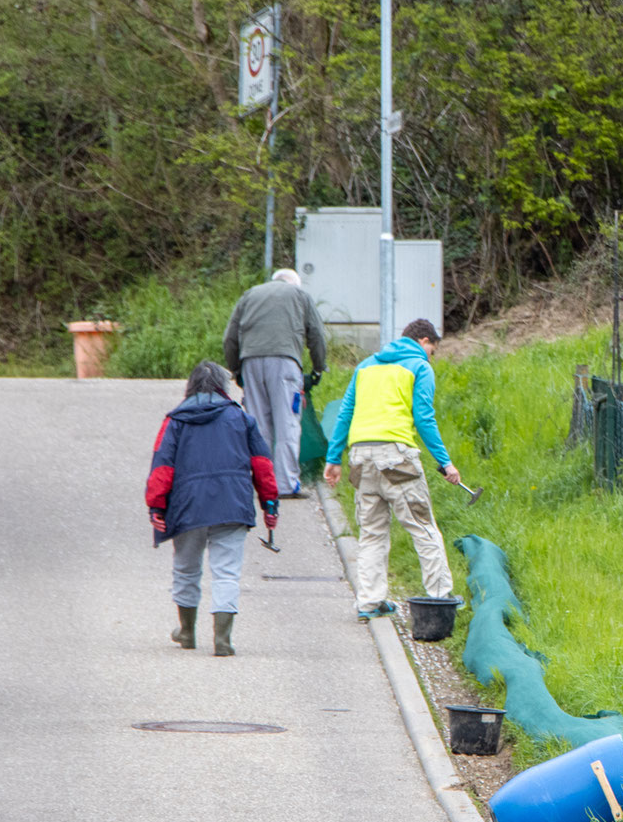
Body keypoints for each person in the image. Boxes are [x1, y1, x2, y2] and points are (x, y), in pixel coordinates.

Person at [321, 318, 462, 621]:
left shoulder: (366, 366)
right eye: (432, 350)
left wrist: (333, 459)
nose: (431, 357)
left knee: (371, 533)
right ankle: (440, 598)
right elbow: (424, 417)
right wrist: (445, 462)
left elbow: (345, 412)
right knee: (422, 526)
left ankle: (369, 603)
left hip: (360, 456)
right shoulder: (419, 367)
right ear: (424, 340)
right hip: (395, 457)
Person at [146, 361, 279, 656]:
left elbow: (162, 466)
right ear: (224, 386)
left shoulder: (175, 421)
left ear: (190, 387)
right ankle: (222, 639)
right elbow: (263, 466)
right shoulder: (242, 419)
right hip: (232, 504)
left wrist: (156, 505)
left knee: (186, 568)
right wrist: (270, 504)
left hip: (187, 507)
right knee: (227, 573)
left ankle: (187, 632)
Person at [222, 268, 328, 498]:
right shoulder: (300, 296)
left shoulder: (250, 295)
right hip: (284, 363)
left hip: (250, 362)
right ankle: (286, 485)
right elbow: (317, 335)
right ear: (294, 284)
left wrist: (237, 370)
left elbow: (229, 338)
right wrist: (319, 368)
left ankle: (262, 483)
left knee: (259, 426)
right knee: (287, 422)